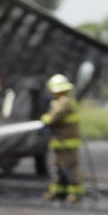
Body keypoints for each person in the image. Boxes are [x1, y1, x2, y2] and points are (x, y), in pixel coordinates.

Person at [40, 74, 84, 203]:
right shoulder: (61, 101)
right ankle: (58, 192)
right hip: (60, 141)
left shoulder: (64, 102)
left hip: (67, 142)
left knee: (70, 168)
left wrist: (45, 119)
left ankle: (75, 195)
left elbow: (54, 118)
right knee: (58, 167)